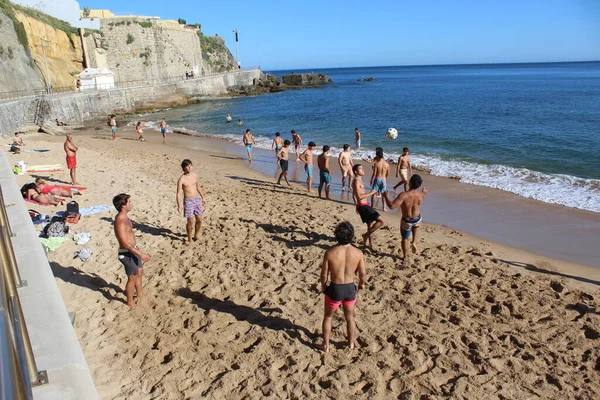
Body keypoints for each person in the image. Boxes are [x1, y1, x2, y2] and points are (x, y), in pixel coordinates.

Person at [320, 221, 366, 352]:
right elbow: (363, 273)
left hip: (335, 288)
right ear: (352, 236)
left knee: (328, 317)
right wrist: (361, 283)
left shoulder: (330, 253)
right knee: (350, 318)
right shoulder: (358, 253)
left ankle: (326, 345)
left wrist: (323, 286)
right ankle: (351, 344)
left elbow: (324, 274)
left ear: (336, 236)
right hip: (350, 288)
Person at [113, 194, 150, 308]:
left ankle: (140, 294)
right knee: (132, 277)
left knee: (139, 272)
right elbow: (124, 243)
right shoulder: (120, 220)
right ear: (123, 205)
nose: (131, 204)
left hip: (133, 251)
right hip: (126, 253)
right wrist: (140, 254)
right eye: (129, 202)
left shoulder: (126, 218)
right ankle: (130, 301)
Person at [382, 175, 429, 264]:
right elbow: (421, 198)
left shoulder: (404, 195)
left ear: (410, 183)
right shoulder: (421, 195)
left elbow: (391, 206)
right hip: (417, 218)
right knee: (416, 227)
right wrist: (424, 192)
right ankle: (414, 242)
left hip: (407, 220)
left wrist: (385, 196)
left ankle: (405, 256)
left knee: (405, 238)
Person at [352, 164, 385, 247]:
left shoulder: (358, 180)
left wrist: (357, 206)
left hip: (364, 205)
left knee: (370, 225)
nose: (363, 170)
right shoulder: (356, 181)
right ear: (356, 172)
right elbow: (359, 197)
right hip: (363, 206)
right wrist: (372, 192)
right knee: (381, 221)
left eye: (363, 168)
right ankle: (365, 235)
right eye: (361, 169)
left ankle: (369, 243)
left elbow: (353, 195)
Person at [176, 160, 207, 244]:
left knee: (199, 219)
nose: (190, 167)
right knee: (190, 221)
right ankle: (189, 238)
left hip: (196, 200)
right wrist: (179, 206)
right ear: (183, 168)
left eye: (191, 165)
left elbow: (198, 187)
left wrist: (203, 197)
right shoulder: (181, 179)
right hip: (188, 201)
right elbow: (178, 193)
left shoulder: (194, 175)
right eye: (187, 166)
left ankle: (196, 235)